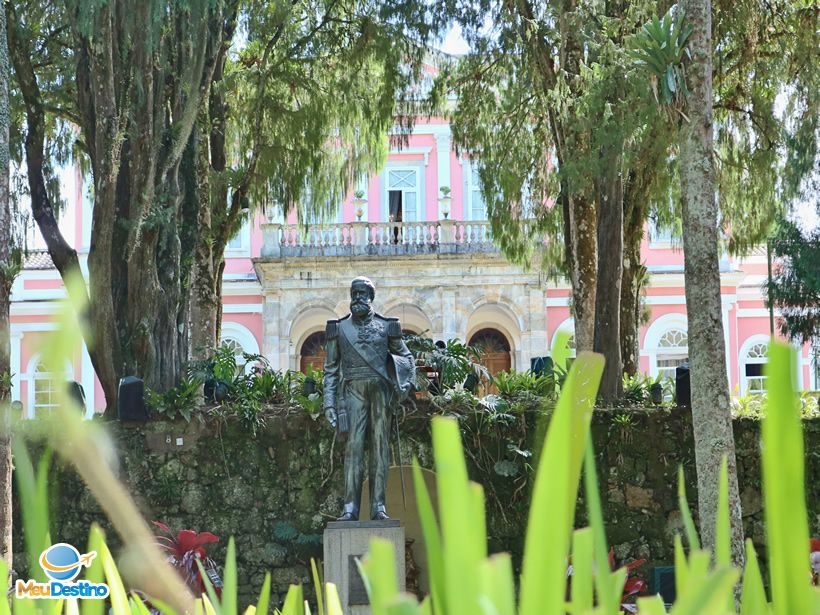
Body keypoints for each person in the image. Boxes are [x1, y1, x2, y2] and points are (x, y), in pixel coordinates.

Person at [323, 276, 415, 521]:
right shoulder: (339, 328)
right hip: (352, 392)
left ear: (371, 297)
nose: (358, 298)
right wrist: (329, 403)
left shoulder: (388, 326)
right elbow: (331, 369)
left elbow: (406, 358)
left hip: (381, 393)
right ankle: (350, 507)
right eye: (354, 293)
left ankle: (378, 507)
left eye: (363, 294)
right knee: (353, 448)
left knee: (380, 448)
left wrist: (402, 385)